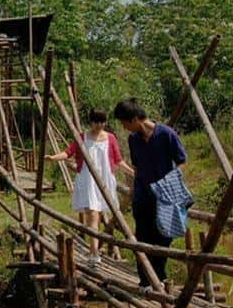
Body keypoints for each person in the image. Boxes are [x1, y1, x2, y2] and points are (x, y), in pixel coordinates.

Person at [112, 98, 187, 287]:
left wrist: (169, 183)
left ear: (135, 119)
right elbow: (137, 167)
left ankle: (159, 279)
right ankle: (146, 281)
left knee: (163, 239)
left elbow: (181, 161)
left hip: (164, 198)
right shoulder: (133, 139)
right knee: (143, 239)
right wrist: (135, 190)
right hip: (142, 197)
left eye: (124, 123)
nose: (124, 127)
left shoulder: (166, 135)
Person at [45, 108, 134, 266]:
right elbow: (68, 153)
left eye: (102, 121)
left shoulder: (110, 138)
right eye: (96, 121)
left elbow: (118, 160)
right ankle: (94, 252)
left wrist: (132, 172)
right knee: (92, 215)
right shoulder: (82, 137)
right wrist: (53, 158)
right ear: (91, 122)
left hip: (105, 180)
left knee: (100, 215)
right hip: (87, 180)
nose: (99, 125)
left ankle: (97, 249)